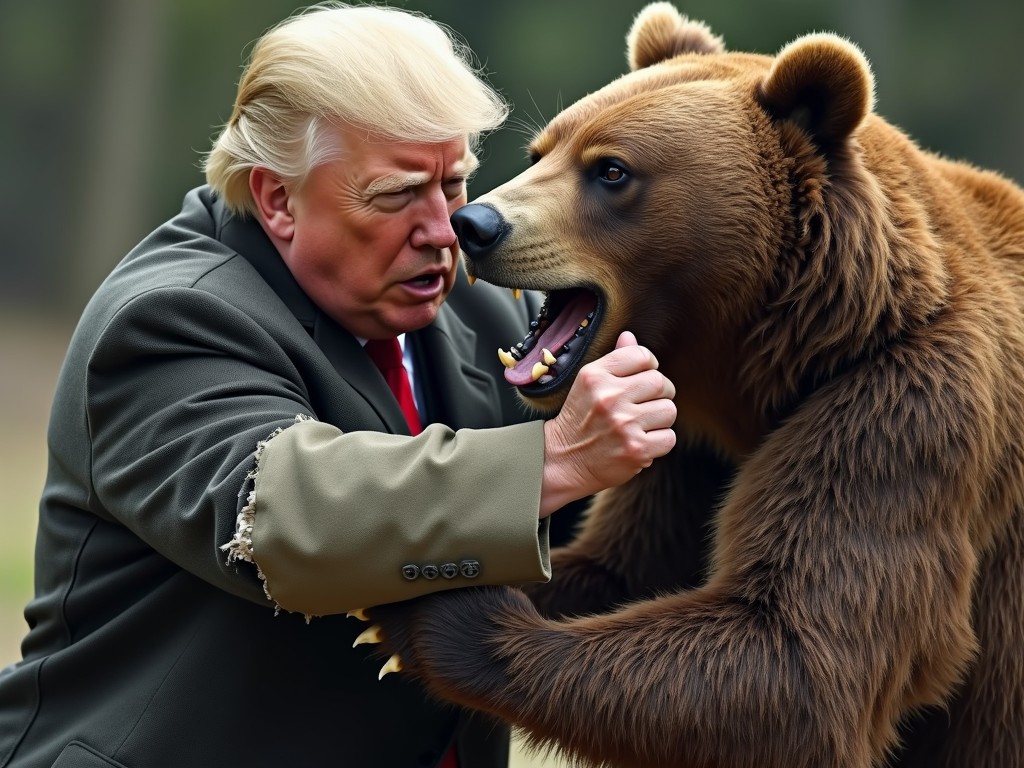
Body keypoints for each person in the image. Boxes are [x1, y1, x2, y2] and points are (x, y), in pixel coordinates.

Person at [0, 4, 677, 767]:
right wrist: (553, 459)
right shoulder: (166, 318)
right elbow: (282, 519)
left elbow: (616, 535)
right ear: (277, 199)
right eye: (395, 195)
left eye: (453, 183)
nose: (442, 228)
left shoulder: (483, 304)